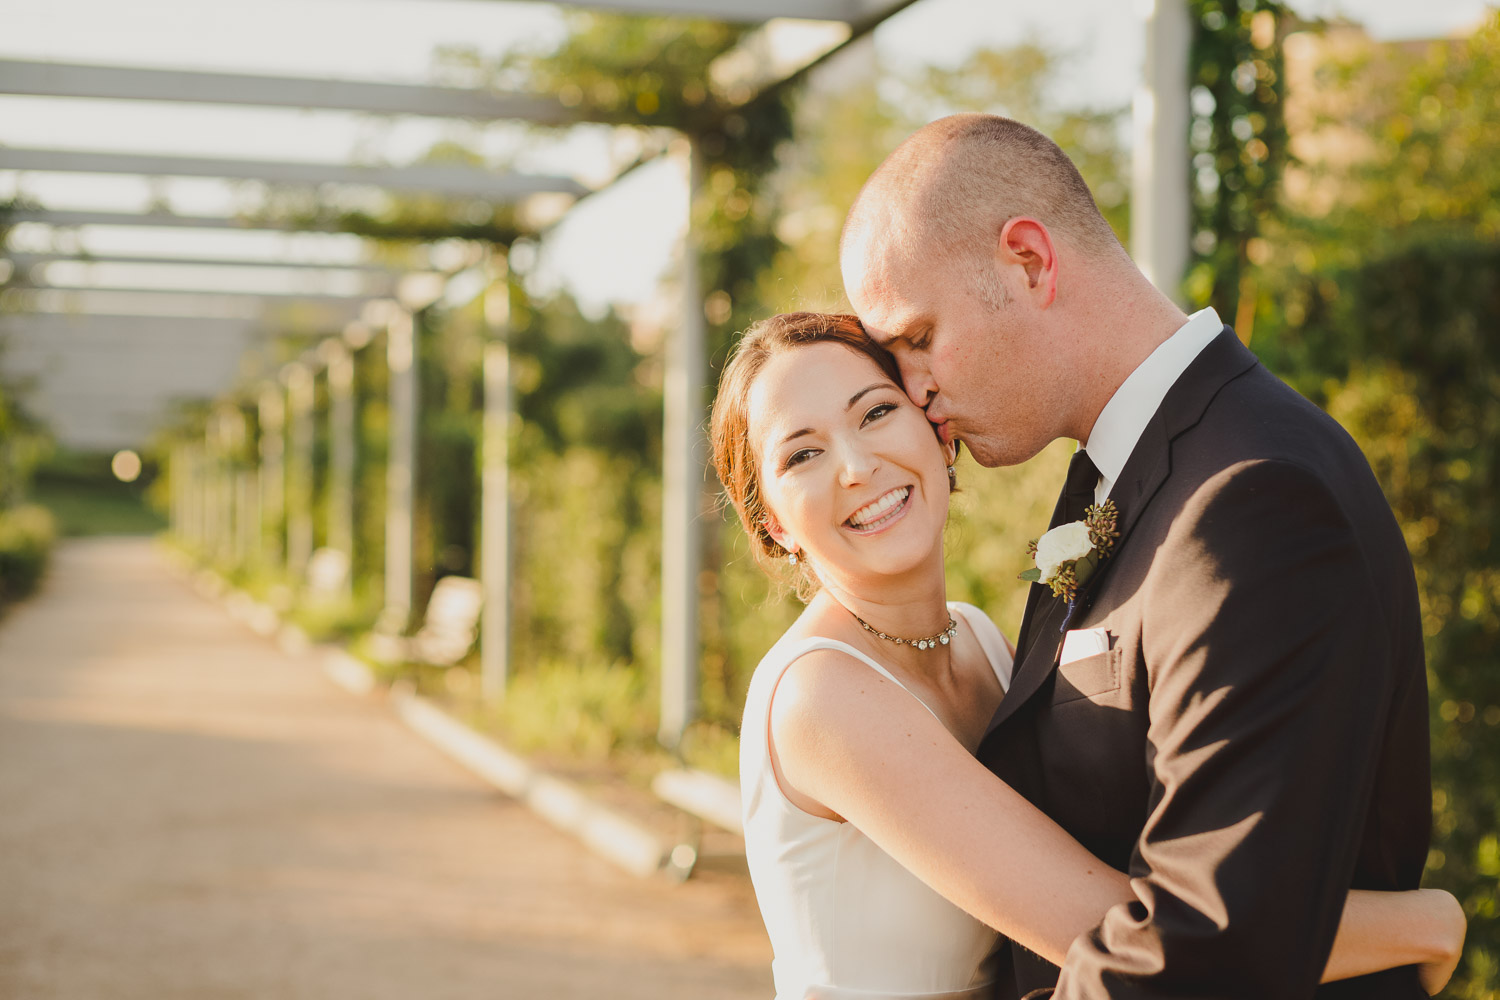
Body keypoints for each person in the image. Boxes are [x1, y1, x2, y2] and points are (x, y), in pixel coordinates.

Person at [834, 113, 1440, 997]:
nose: (913, 391)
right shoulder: (1122, 477)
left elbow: (1206, 950)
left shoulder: (1249, 498)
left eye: (918, 338)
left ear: (1030, 261)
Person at [712, 313, 1462, 1000]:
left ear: (936, 429)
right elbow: (1113, 930)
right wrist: (1417, 924)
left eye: (876, 412)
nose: (855, 465)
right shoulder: (822, 696)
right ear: (771, 522)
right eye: (802, 453)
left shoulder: (976, 639)